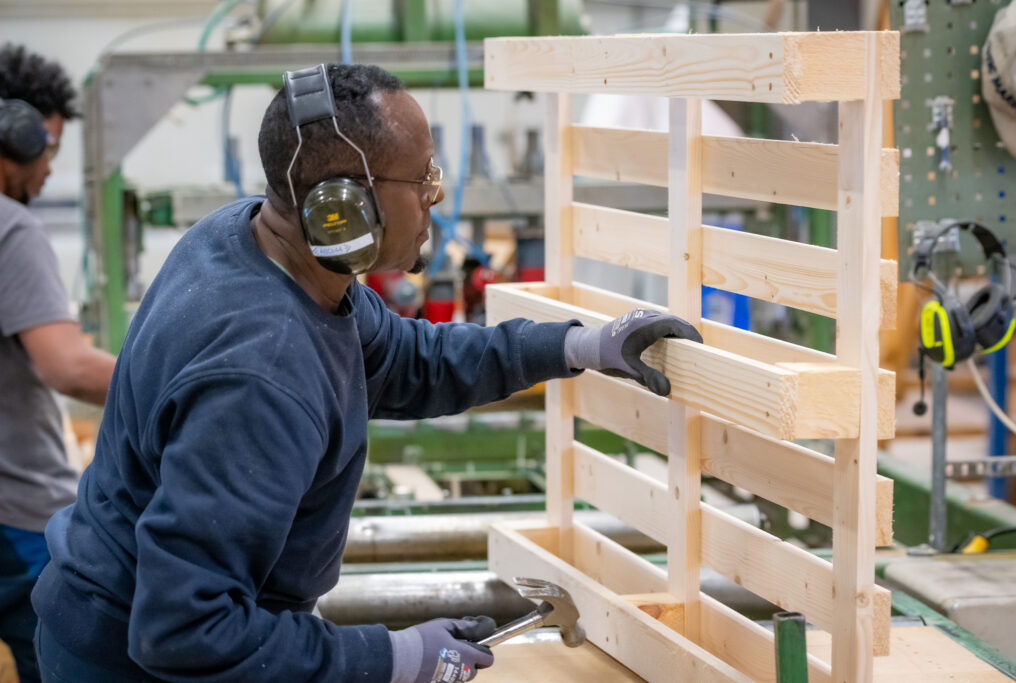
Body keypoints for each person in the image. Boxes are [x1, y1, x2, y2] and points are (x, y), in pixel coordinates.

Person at [31, 63, 701, 683]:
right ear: (343, 208)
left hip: (139, 621)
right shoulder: (261, 377)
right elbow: (185, 631)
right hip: (129, 663)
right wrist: (391, 657)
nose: (437, 195)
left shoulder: (259, 244)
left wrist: (579, 346)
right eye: (421, 179)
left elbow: (411, 360)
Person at [0, 44, 117, 683]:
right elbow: (66, 366)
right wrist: (180, 384)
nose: (49, 168)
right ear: (14, 135)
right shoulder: (11, 228)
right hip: (16, 516)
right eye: (46, 146)